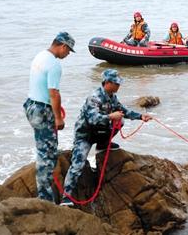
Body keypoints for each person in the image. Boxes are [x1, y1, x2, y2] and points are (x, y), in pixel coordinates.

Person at [61, 69, 152, 206]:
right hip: (85, 135)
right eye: (116, 83)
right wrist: (110, 116)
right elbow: (93, 119)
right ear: (108, 83)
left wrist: (140, 116)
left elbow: (124, 111)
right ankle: (66, 196)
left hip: (99, 132)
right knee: (78, 164)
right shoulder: (94, 97)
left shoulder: (112, 97)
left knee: (120, 121)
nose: (119, 86)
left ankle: (103, 144)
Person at [23, 31, 75, 202]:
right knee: (46, 156)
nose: (67, 55)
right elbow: (54, 93)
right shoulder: (54, 65)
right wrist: (58, 118)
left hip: (31, 105)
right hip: (42, 110)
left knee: (45, 148)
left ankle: (45, 191)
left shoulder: (40, 55)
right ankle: (45, 199)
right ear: (63, 46)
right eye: (68, 51)